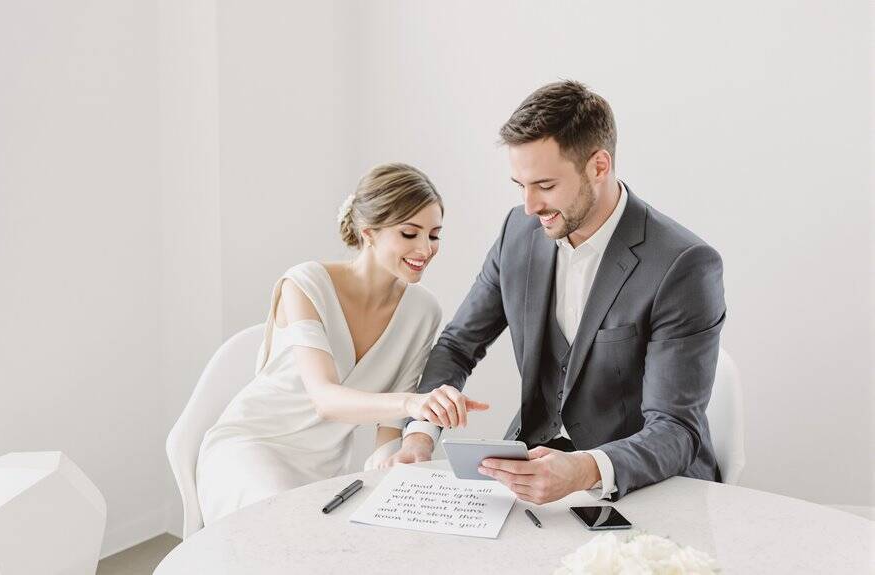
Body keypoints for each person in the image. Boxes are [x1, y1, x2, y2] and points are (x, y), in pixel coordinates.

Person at [386, 80, 726, 504]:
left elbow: (676, 430)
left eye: (545, 186)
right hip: (531, 466)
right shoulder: (518, 233)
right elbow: (458, 345)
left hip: (647, 487)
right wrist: (421, 433)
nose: (529, 206)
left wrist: (584, 468)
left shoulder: (683, 265)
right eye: (520, 186)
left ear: (599, 167)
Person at [196, 163, 489, 524]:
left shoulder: (423, 309)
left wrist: (388, 457)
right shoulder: (306, 284)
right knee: (287, 530)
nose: (425, 249)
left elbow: (392, 416)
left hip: (325, 468)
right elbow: (325, 399)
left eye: (434, 235)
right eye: (410, 234)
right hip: (251, 447)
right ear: (369, 232)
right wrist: (416, 403)